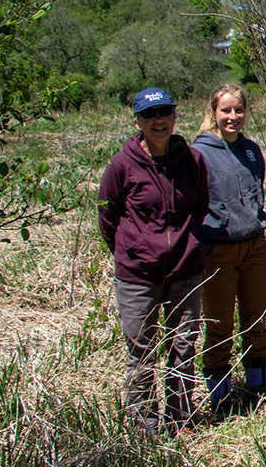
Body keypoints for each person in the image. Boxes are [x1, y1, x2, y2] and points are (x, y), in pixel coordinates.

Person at [99, 87, 209, 432]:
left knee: (183, 346)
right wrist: (133, 251)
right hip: (137, 275)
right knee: (141, 352)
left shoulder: (193, 160)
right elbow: (108, 216)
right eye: (149, 115)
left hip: (186, 271)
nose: (158, 120)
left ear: (175, 116)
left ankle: (181, 418)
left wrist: (188, 243)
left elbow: (201, 206)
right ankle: (143, 427)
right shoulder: (121, 165)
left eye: (164, 112)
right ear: (138, 121)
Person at [191, 84, 266, 410]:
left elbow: (257, 193)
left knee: (256, 321)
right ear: (213, 113)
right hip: (216, 250)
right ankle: (221, 400)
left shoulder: (252, 150)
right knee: (218, 326)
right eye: (226, 110)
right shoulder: (199, 153)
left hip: (254, 245)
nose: (233, 116)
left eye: (238, 110)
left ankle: (260, 388)